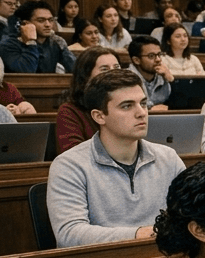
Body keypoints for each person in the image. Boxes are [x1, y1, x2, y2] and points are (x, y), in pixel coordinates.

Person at [47, 69, 186, 248]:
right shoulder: (69, 165)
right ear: (99, 116)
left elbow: (190, 214)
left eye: (143, 103)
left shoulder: (169, 158)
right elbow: (69, 234)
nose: (141, 113)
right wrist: (139, 234)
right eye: (127, 106)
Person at [56, 47, 121, 153]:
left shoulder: (127, 107)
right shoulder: (69, 111)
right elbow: (73, 155)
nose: (114, 73)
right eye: (104, 69)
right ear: (86, 76)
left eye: (117, 67)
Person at [0, 0, 76, 73]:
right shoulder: (8, 43)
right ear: (25, 23)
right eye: (41, 20)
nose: (48, 25)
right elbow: (26, 74)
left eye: (50, 20)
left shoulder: (55, 42)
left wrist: (63, 47)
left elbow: (76, 69)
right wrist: (31, 43)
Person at [126, 35, 172, 110]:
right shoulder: (125, 80)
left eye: (159, 55)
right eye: (151, 56)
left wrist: (172, 81)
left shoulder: (163, 76)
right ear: (136, 60)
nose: (158, 59)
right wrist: (150, 110)